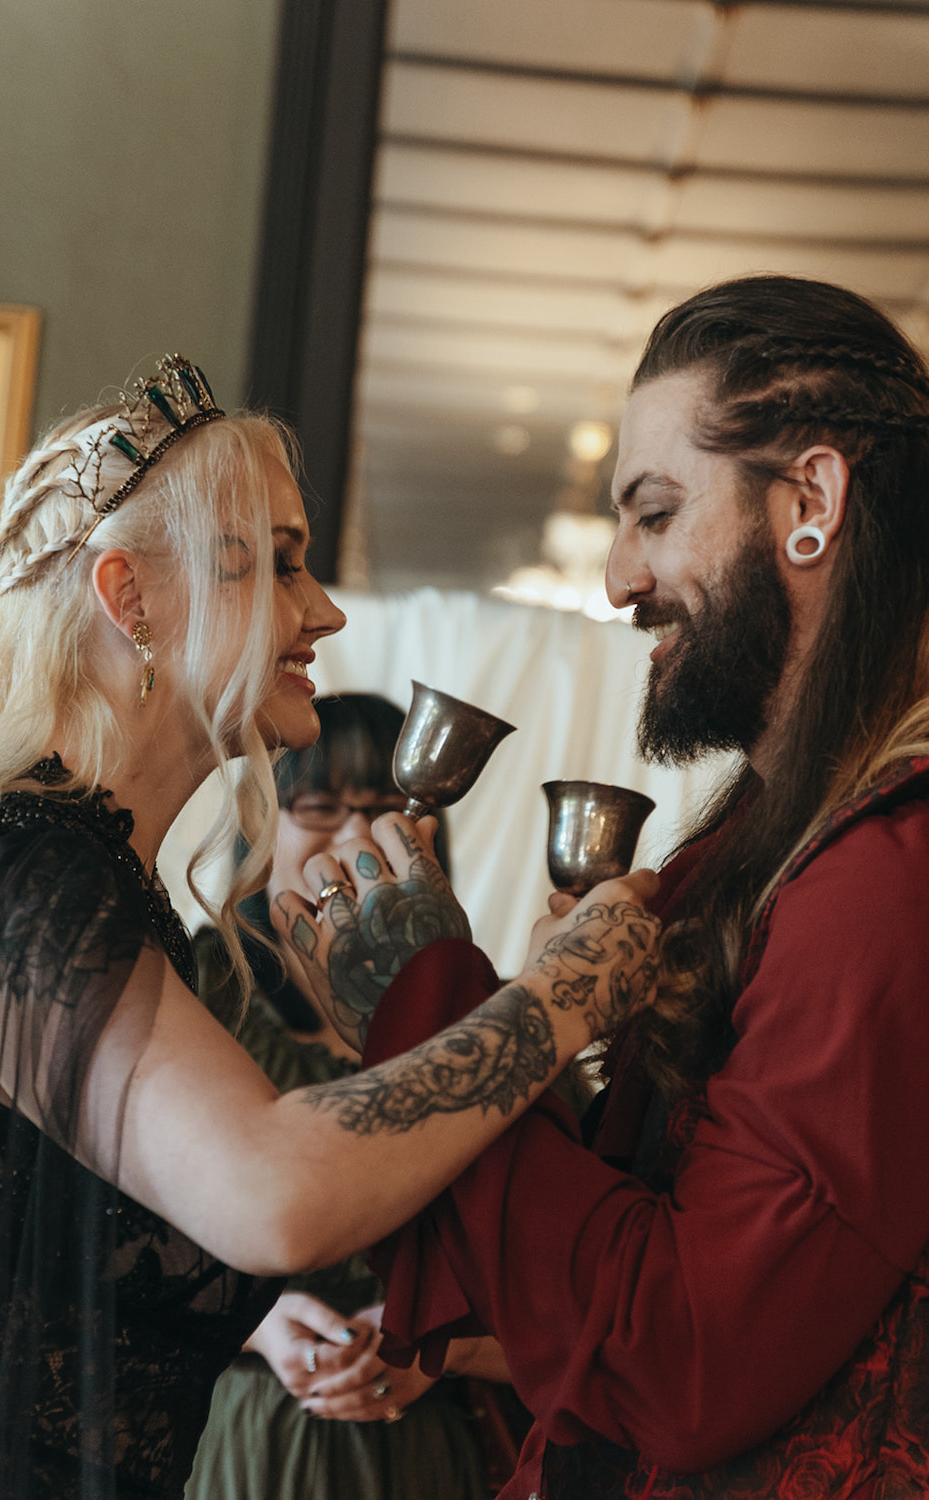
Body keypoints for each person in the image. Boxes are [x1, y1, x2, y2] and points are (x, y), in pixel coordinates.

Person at [0, 355, 661, 1500]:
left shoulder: (96, 887)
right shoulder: (13, 872)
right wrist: (562, 994)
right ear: (132, 600)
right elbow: (274, 1193)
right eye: (278, 565)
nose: (325, 610)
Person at [271, 276, 929, 1498]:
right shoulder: (761, 847)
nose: (621, 578)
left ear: (812, 503)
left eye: (659, 512)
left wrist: (424, 1004)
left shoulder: (890, 877)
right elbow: (622, 1237)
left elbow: (682, 1358)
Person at [187, 692, 526, 1500]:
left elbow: (564, 1265)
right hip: (244, 1435)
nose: (351, 839)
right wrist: (256, 1323)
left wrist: (442, 1346)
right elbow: (89, 1230)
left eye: (382, 811)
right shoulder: (195, 992)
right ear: (261, 830)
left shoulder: (494, 1015)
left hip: (432, 1448)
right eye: (321, 808)